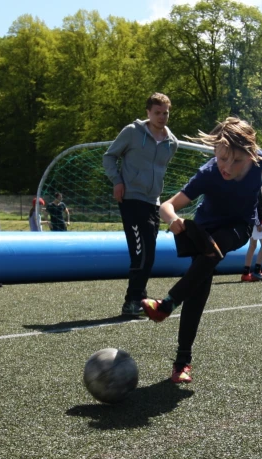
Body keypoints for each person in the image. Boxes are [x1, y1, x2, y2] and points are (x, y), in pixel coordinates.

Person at [140, 117, 262, 384]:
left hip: (238, 228)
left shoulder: (259, 161)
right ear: (215, 152)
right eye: (221, 159)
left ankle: (167, 304)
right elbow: (166, 206)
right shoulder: (208, 174)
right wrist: (173, 221)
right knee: (198, 293)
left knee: (217, 245)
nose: (227, 167)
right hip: (203, 232)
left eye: (236, 161)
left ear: (252, 155)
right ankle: (181, 364)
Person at [103, 92, 178, 317]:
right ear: (148, 112)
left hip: (152, 202)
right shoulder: (132, 132)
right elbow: (109, 157)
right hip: (131, 199)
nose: (162, 117)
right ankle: (132, 301)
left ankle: (140, 297)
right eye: (157, 113)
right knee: (141, 252)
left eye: (165, 113)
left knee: (149, 253)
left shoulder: (171, 143)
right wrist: (117, 181)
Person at [241, 177, 262, 282]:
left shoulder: (255, 186)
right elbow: (253, 207)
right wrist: (257, 222)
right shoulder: (255, 187)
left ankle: (246, 273)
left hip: (254, 221)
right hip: (256, 221)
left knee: (252, 246)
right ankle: (257, 271)